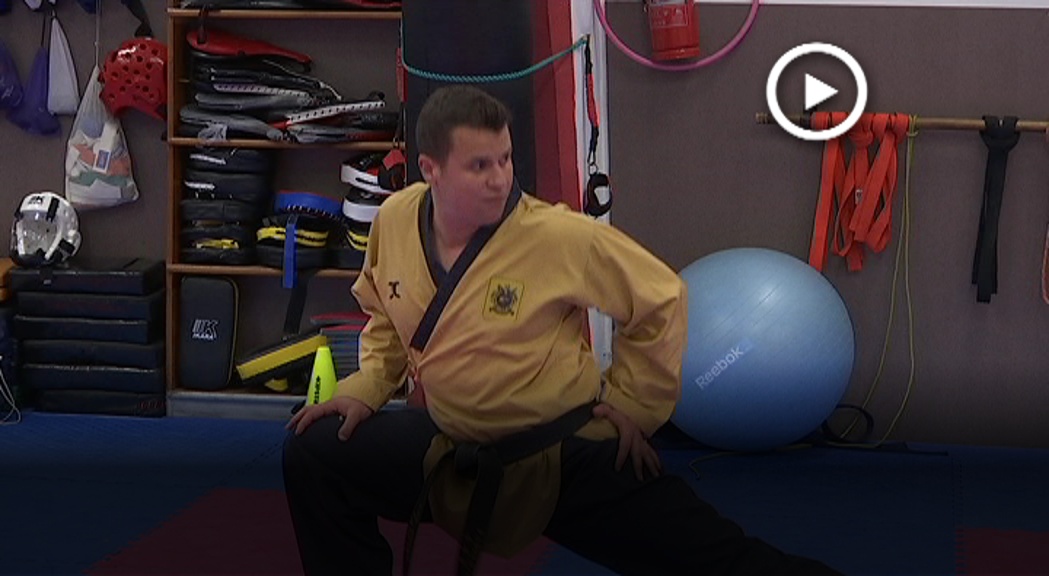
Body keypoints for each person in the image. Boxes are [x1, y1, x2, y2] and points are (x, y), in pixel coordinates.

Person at [283, 85, 840, 576]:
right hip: (451, 444)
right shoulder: (396, 220)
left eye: (506, 159)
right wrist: (365, 387)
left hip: (563, 452)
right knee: (315, 453)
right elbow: (383, 313)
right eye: (479, 166)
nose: (500, 178)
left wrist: (635, 405)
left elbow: (660, 299)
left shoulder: (557, 236)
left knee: (720, 561)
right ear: (431, 169)